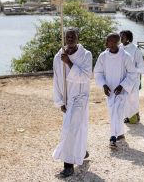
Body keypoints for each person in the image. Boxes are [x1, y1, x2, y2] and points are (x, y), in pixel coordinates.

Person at [53, 28, 92, 177]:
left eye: (73, 36)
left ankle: (68, 164)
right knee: (76, 127)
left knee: (70, 129)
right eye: (67, 36)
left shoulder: (86, 55)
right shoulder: (58, 56)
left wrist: (69, 62)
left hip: (80, 98)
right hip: (67, 99)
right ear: (64, 38)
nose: (70, 39)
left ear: (78, 38)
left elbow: (86, 77)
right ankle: (80, 151)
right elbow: (57, 79)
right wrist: (60, 101)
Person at [94, 33, 136, 148]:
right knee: (114, 112)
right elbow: (98, 72)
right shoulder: (103, 56)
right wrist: (103, 85)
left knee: (116, 111)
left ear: (118, 42)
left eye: (112, 41)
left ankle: (112, 137)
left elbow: (132, 73)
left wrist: (122, 85)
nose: (109, 44)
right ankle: (121, 133)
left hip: (121, 90)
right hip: (109, 90)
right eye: (108, 41)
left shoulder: (125, 56)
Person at [119, 30, 144, 124]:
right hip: (122, 78)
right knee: (124, 98)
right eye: (120, 36)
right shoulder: (118, 48)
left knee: (133, 99)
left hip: (133, 79)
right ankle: (127, 116)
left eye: (123, 36)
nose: (121, 38)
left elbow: (141, 67)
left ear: (129, 38)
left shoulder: (135, 49)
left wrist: (132, 70)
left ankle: (136, 115)